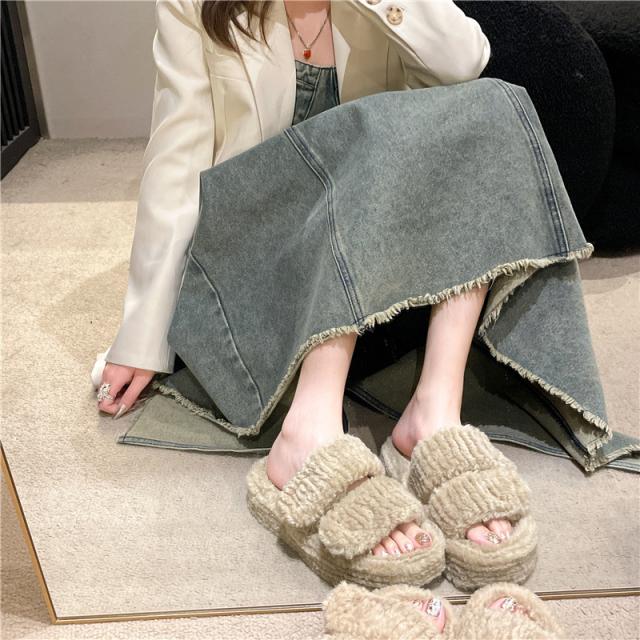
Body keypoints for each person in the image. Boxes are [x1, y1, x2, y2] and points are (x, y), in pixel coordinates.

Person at [92, 0, 598, 588]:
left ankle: (435, 412)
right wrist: (143, 333)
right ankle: (309, 426)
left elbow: (464, 60)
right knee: (359, 132)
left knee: (490, 104)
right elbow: (177, 159)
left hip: (370, 250)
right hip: (263, 249)